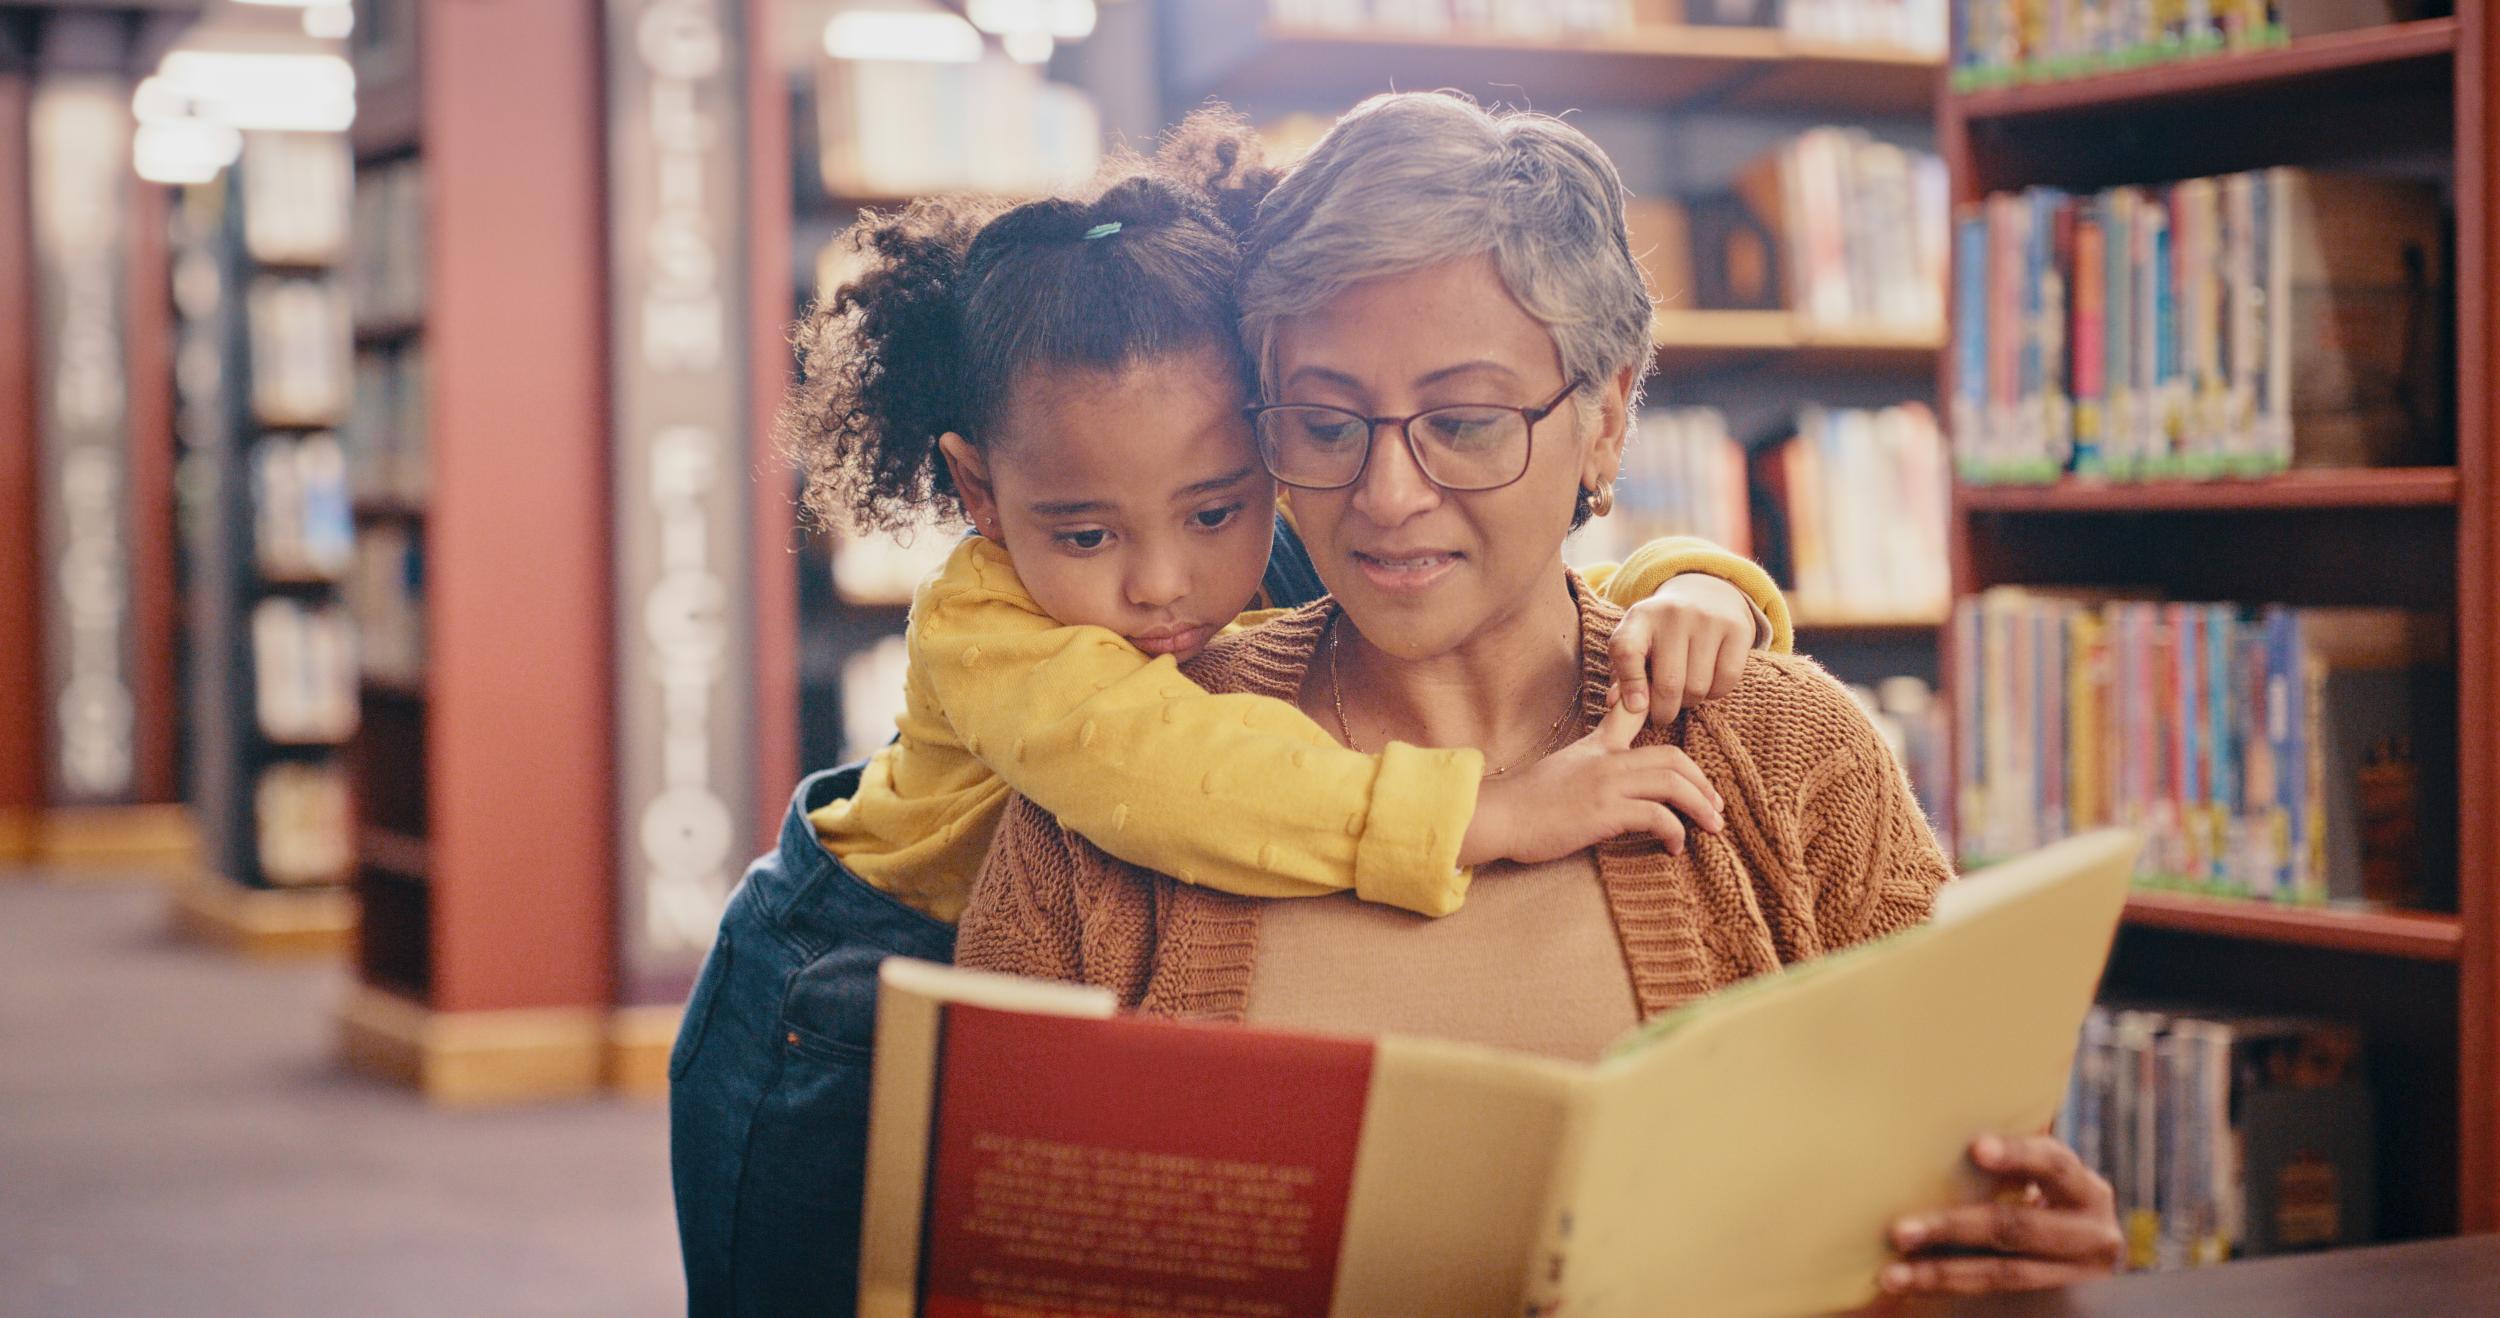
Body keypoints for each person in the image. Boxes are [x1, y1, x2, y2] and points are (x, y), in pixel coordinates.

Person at [956, 91, 2126, 1299]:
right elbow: (987, 1253)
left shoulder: (1787, 751)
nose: (1389, 492)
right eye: (1324, 422)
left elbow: (1944, 1202)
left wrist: (2023, 1261)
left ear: (1607, 416)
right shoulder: (1120, 783)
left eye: (1463, 422)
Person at [668, 117, 1797, 1316]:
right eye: (1088, 534)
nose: (1162, 583)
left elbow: (1503, 571)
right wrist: (1484, 813)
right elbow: (1183, 779)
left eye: (1215, 511)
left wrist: (1696, 584)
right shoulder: (988, 627)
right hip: (833, 995)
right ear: (981, 493)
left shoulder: (1261, 519)